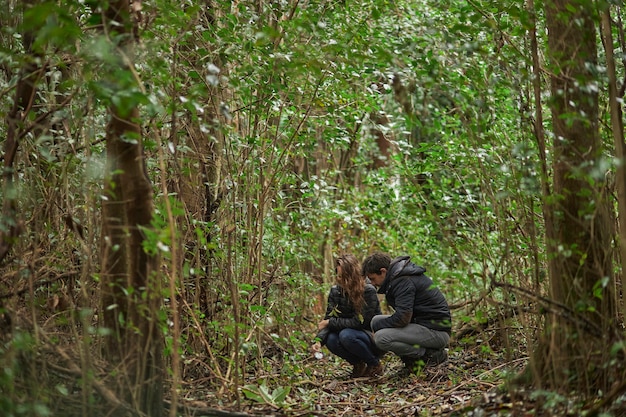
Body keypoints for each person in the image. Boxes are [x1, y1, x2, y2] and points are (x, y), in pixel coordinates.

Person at [362, 252, 451, 375]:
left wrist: (378, 327)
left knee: (381, 338)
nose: (372, 283)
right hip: (422, 325)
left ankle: (430, 355)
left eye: (372, 278)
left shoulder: (403, 281)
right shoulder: (398, 278)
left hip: (437, 332)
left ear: (383, 271)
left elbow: (403, 318)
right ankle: (412, 363)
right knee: (375, 320)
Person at [311, 254, 384, 378]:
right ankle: (358, 364)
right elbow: (329, 318)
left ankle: (375, 364)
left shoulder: (368, 290)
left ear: (352, 275)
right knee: (331, 339)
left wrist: (330, 322)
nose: (339, 279)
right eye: (338, 275)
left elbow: (360, 322)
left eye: (343, 276)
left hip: (370, 336)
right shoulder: (336, 291)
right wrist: (318, 341)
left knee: (346, 335)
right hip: (350, 335)